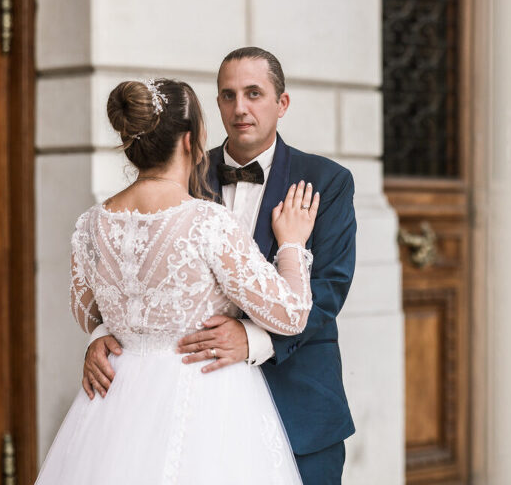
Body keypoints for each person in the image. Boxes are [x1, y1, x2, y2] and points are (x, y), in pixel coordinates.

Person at [83, 48, 357, 484]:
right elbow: (138, 264)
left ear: (282, 103)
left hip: (299, 407)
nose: (240, 107)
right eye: (228, 95)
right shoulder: (181, 169)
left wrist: (252, 338)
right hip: (189, 418)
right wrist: (107, 335)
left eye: (254, 93)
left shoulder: (326, 181)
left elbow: (329, 289)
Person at [35, 78, 319, 484]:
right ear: (190, 140)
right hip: (204, 400)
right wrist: (292, 243)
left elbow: (86, 314)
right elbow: (290, 315)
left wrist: (109, 333)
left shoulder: (91, 224)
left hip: (116, 398)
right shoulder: (207, 222)